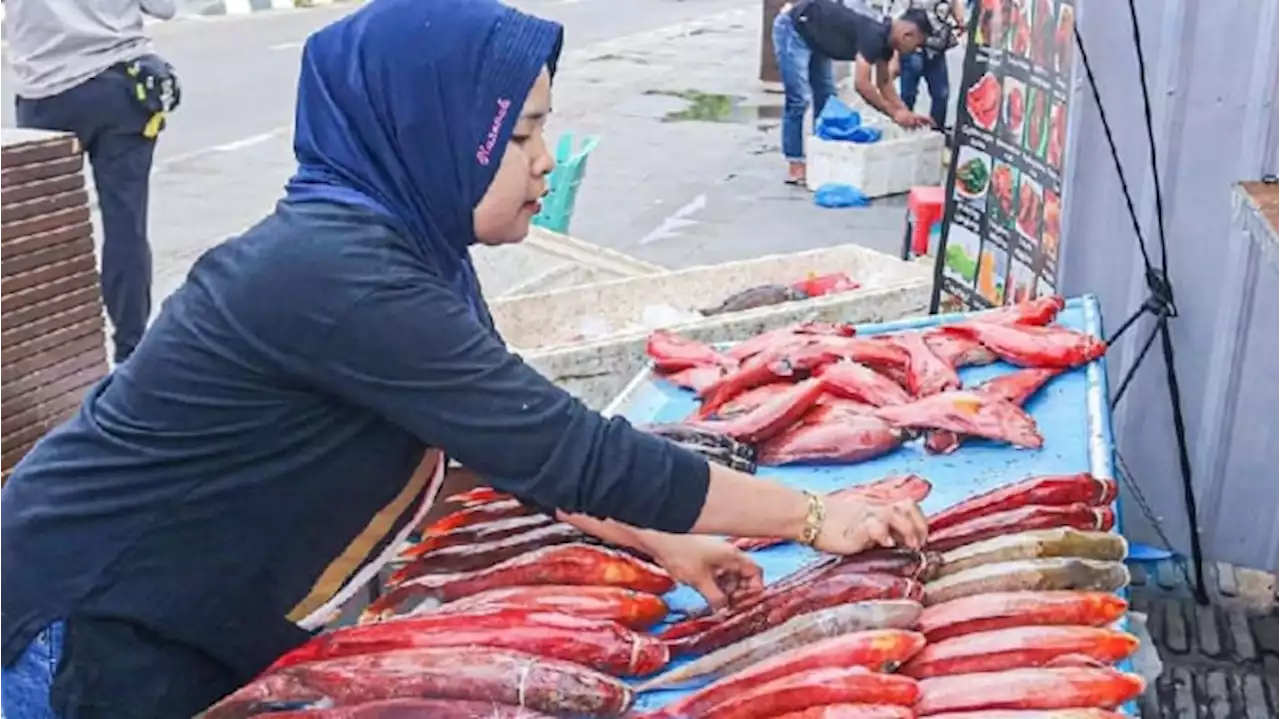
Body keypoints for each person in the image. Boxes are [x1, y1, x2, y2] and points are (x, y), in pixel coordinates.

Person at [0, 0, 929, 716]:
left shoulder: (412, 251)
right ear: (434, 131)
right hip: (79, 623)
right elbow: (575, 450)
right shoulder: (335, 273)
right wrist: (816, 516)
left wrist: (666, 540)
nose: (541, 161)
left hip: (185, 613)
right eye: (519, 134)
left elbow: (506, 440)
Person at [5, 0, 182, 365]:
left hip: (44, 96)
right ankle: (130, 354)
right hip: (119, 87)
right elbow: (164, 8)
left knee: (47, 237)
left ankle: (59, 358)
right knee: (125, 227)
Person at [773, 0, 935, 185]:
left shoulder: (887, 43)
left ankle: (821, 155)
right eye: (917, 45)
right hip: (794, 28)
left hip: (818, 37)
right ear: (907, 35)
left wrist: (905, 112)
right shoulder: (874, 36)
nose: (915, 50)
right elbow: (862, 84)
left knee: (827, 100)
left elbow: (883, 82)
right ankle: (795, 162)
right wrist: (893, 113)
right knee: (799, 99)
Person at [896, 0, 966, 132]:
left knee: (941, 93)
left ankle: (936, 131)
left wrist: (960, 21)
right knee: (909, 93)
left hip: (937, 46)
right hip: (913, 44)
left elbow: (956, 4)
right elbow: (900, 13)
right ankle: (904, 129)